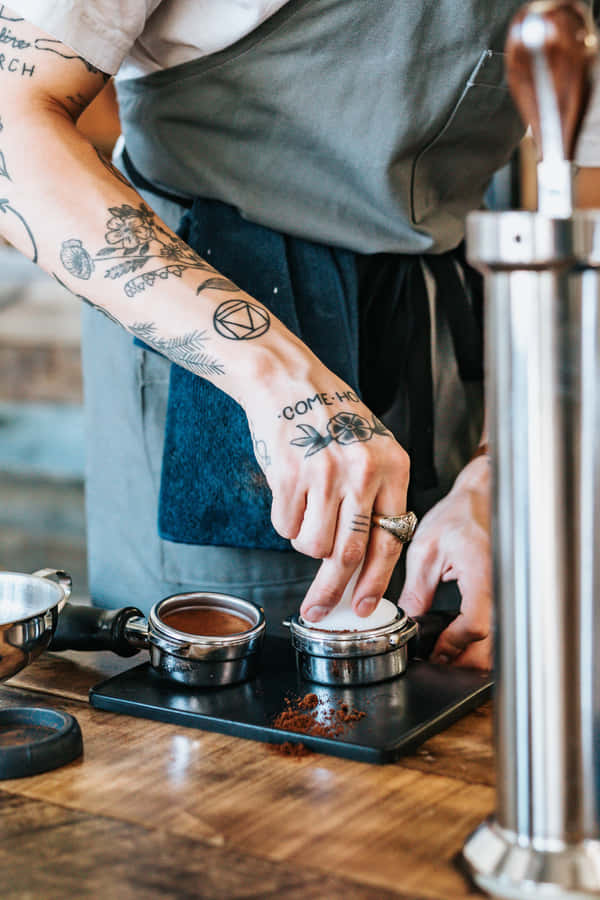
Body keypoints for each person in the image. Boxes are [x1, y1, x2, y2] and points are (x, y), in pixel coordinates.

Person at [2, 1, 596, 670]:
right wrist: (278, 379)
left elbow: (584, 206)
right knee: (212, 698)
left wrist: (504, 465)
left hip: (446, 350)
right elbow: (9, 127)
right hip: (211, 358)